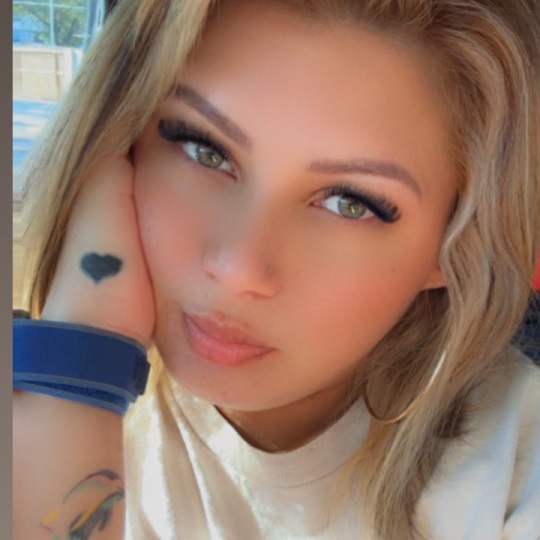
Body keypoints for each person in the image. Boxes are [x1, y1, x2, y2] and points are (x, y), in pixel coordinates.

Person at [13, 0, 540, 539]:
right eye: (205, 150)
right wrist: (84, 357)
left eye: (350, 203)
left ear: (455, 245)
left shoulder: (516, 472)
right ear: (122, 145)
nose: (237, 267)